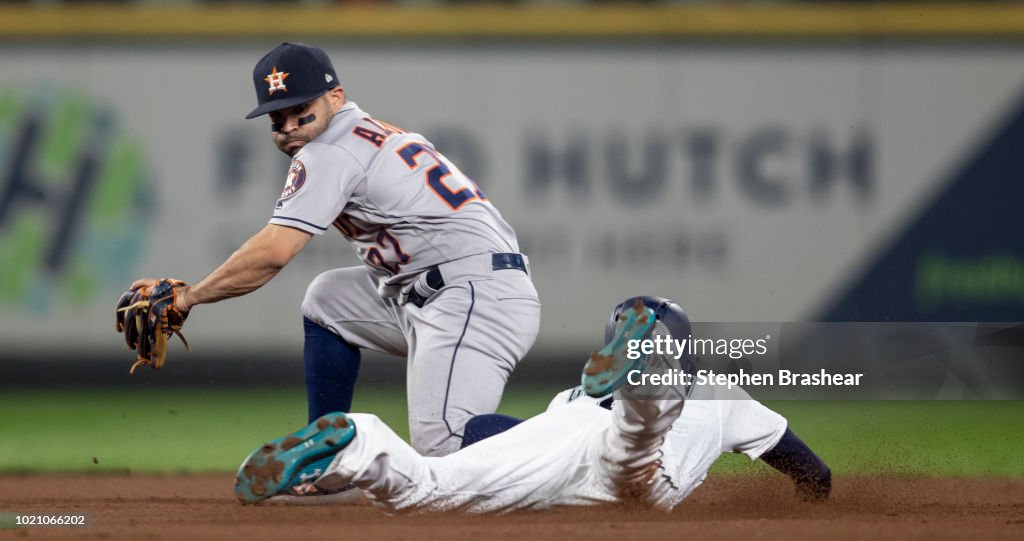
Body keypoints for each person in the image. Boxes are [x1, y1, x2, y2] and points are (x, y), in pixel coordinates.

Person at [129, 42, 540, 460]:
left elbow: (274, 251)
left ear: (335, 97)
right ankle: (326, 460)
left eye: (299, 109)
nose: (288, 125)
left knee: (444, 443)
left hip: (473, 295)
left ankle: (591, 434)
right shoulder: (366, 132)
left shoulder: (329, 151)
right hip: (448, 290)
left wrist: (189, 296)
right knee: (327, 300)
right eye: (277, 117)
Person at [234, 296, 832, 511]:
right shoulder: (724, 393)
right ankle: (650, 381)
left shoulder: (569, 392)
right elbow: (814, 473)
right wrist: (811, 504)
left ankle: (359, 442)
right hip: (633, 468)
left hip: (560, 433)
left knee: (432, 488)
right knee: (636, 451)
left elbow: (491, 431)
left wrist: (492, 459)